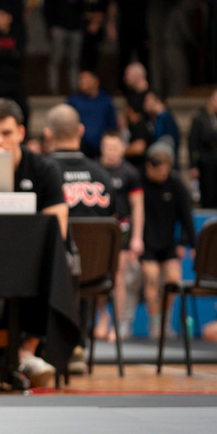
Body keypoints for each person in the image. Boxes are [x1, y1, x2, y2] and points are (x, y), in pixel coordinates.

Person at [0, 97, 68, 387]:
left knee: (55, 265)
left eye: (6, 133)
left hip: (30, 261)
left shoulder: (44, 170)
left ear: (20, 132)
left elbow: (59, 228)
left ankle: (25, 351)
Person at [45, 104, 115, 373]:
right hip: (98, 271)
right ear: (81, 131)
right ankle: (78, 347)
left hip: (57, 271)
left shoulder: (44, 171)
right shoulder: (103, 176)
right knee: (80, 260)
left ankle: (49, 344)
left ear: (48, 134)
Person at [140, 142, 194, 340]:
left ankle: (165, 320)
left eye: (166, 171)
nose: (163, 175)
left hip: (168, 241)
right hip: (147, 243)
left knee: (173, 279)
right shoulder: (140, 183)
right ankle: (155, 323)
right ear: (149, 167)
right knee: (152, 278)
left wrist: (187, 242)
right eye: (159, 171)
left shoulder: (176, 184)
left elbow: (186, 215)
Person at [97, 131, 145, 340]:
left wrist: (137, 236)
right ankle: (102, 317)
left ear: (122, 149)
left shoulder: (130, 173)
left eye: (115, 148)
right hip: (98, 230)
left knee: (118, 277)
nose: (110, 152)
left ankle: (118, 323)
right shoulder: (95, 169)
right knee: (97, 275)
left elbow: (138, 206)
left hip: (122, 230)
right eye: (107, 147)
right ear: (102, 147)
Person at [43, 0, 83, 94]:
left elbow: (82, 7)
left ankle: (75, 90)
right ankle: (53, 90)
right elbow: (47, 9)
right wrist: (51, 26)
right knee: (55, 59)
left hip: (75, 28)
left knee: (74, 60)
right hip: (58, 27)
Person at [189, 87, 217, 209]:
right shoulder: (199, 118)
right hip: (206, 163)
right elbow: (192, 143)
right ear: (210, 99)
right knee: (208, 197)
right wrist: (193, 165)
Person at [0, 6, 28, 124]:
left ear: (9, 18)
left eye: (0, 15)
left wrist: (0, 52)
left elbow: (18, 56)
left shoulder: (18, 34)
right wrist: (9, 53)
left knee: (23, 109)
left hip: (15, 78)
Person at [108, 0, 151, 77]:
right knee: (124, 58)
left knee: (144, 59)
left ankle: (146, 87)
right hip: (125, 29)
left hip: (142, 30)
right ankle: (122, 88)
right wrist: (111, 26)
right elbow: (113, 8)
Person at [66, 70, 117, 159]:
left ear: (96, 81)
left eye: (85, 79)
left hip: (100, 149)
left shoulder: (105, 100)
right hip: (79, 148)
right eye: (80, 79)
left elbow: (112, 125)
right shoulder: (73, 100)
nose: (82, 82)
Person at [78, 0, 108, 74]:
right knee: (79, 57)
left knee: (94, 57)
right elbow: (75, 10)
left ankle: (93, 82)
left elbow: (104, 10)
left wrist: (96, 21)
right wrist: (90, 16)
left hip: (96, 30)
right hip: (80, 29)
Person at [143, 91, 181, 170]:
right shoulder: (153, 120)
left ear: (157, 101)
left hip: (165, 164)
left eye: (147, 100)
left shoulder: (167, 120)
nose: (144, 104)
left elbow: (170, 143)